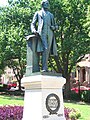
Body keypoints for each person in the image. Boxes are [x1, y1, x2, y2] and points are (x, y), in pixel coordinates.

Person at [31, 0, 58, 72]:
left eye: (48, 3)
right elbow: (33, 23)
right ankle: (44, 68)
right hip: (41, 33)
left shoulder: (51, 15)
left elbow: (56, 26)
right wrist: (33, 30)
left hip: (50, 33)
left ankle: (45, 67)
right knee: (45, 49)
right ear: (43, 4)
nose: (48, 5)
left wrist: (54, 27)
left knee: (48, 50)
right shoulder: (38, 13)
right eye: (46, 3)